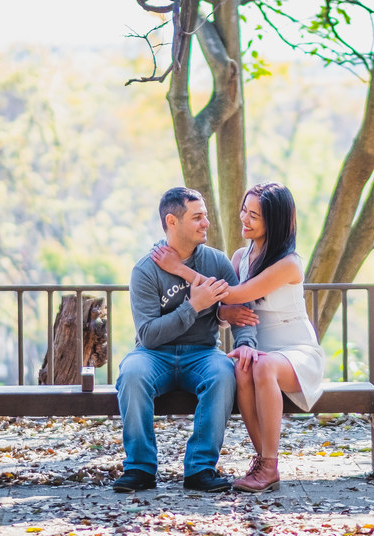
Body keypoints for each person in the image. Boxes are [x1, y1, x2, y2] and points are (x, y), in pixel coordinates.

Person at [151, 181, 324, 493]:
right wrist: (224, 315)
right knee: (244, 366)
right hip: (260, 352)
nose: (244, 218)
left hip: (296, 352)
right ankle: (263, 462)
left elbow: (234, 292)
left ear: (274, 222)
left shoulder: (288, 263)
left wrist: (179, 269)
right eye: (245, 210)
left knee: (262, 366)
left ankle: (269, 466)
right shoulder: (240, 257)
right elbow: (227, 306)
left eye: (254, 216)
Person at [113, 187, 258, 494]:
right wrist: (193, 306)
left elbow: (240, 312)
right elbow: (148, 335)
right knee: (131, 373)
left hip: (203, 353)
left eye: (205, 216)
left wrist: (245, 343)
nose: (205, 223)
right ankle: (139, 468)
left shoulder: (217, 262)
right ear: (172, 221)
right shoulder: (145, 270)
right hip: (154, 355)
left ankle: (200, 469)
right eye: (197, 217)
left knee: (222, 373)